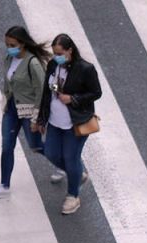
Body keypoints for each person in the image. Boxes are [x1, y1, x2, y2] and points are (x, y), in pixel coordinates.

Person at [35, 34, 101, 215]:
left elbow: (96, 93)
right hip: (55, 121)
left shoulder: (85, 69)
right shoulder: (53, 65)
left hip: (75, 122)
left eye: (59, 53)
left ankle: (73, 196)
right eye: (54, 53)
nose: (56, 57)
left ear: (70, 50)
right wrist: (41, 117)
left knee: (71, 158)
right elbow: (46, 93)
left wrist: (73, 99)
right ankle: (77, 175)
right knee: (51, 152)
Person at [0, 26, 49, 201]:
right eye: (7, 44)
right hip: (12, 110)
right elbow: (9, 82)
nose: (9, 48)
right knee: (7, 146)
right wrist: (5, 99)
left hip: (29, 111)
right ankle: (4, 185)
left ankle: (68, 164)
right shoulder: (9, 58)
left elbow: (42, 91)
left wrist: (38, 117)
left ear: (23, 44)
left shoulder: (32, 63)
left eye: (12, 44)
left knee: (36, 146)